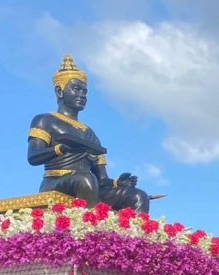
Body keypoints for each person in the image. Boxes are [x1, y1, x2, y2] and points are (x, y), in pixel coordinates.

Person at [27, 55, 149, 212]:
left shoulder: (90, 134)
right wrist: (60, 149)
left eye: (85, 91)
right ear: (59, 91)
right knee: (85, 179)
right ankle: (91, 225)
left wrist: (117, 183)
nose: (82, 95)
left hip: (89, 184)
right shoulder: (45, 120)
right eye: (76, 89)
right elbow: (33, 157)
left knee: (138, 196)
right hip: (56, 182)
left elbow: (101, 179)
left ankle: (137, 228)